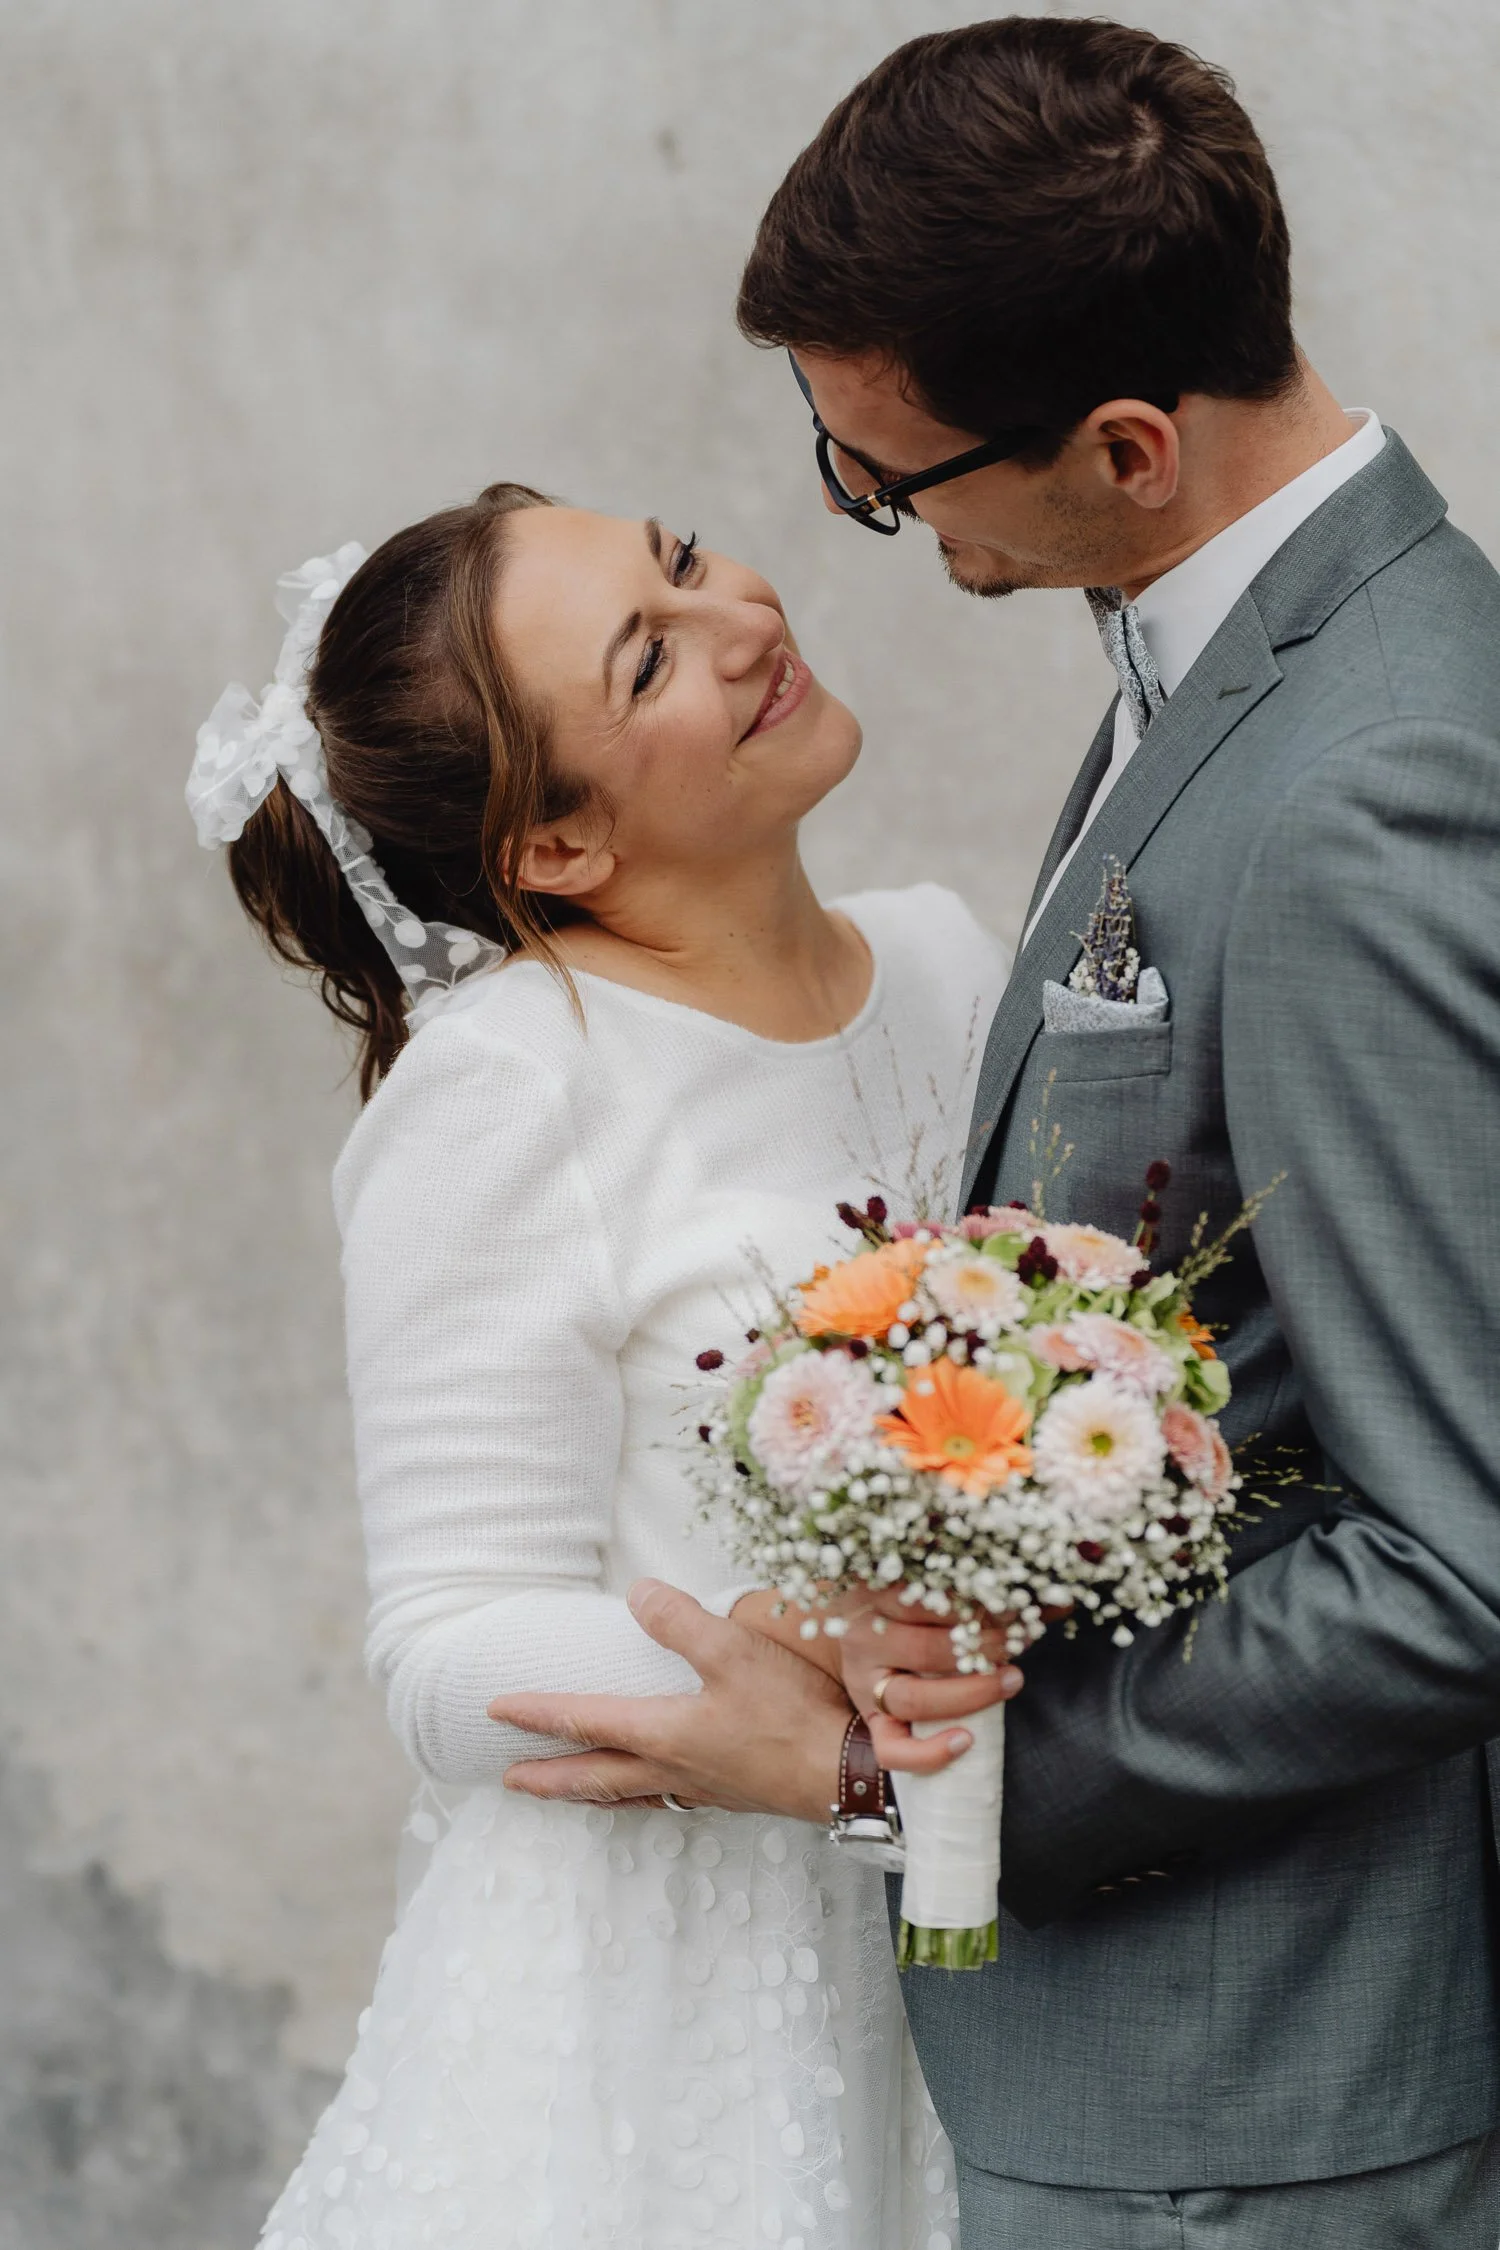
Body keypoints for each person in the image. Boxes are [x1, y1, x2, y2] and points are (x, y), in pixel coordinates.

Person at [499, 18, 1500, 2248]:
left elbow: (1466, 1555)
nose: (858, 526)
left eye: (894, 477)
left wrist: (898, 1780)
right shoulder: (1252, 667)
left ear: (1130, 444)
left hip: (1252, 2116)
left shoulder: (1372, 787)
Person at [189, 482, 1009, 2248]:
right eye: (651, 661)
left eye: (684, 555)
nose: (741, 623)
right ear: (553, 849)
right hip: (672, 1986)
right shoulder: (512, 1089)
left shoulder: (955, 958)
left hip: (978, 1927)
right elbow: (440, 1640)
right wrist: (789, 1671)